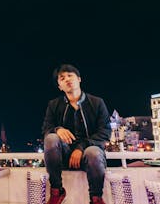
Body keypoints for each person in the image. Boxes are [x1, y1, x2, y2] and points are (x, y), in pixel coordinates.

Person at [42, 64, 111, 204]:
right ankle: (57, 191)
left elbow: (105, 132)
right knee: (51, 138)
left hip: (90, 154)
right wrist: (57, 130)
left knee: (93, 152)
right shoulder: (53, 105)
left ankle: (96, 198)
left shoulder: (97, 103)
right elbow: (46, 129)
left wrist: (81, 148)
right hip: (65, 155)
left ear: (79, 79)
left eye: (70, 75)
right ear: (59, 86)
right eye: (62, 78)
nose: (67, 79)